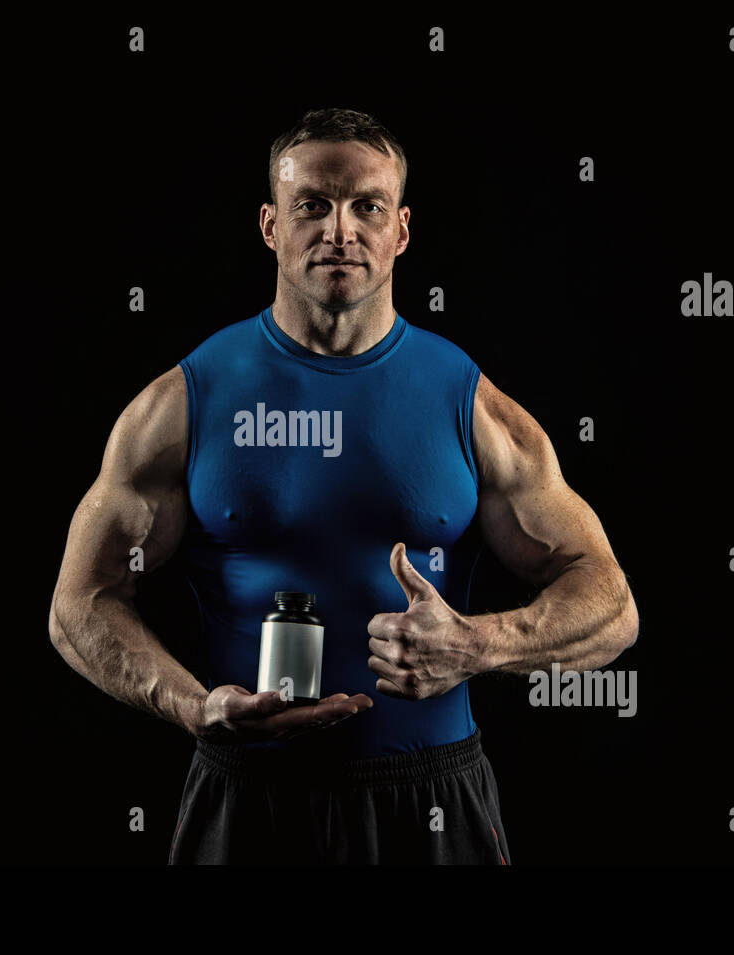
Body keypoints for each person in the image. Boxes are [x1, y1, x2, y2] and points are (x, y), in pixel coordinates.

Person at [47, 107, 639, 864]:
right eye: (312, 205)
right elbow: (79, 603)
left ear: (401, 230)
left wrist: (478, 643)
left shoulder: (468, 402)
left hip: (431, 800)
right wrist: (194, 705)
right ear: (269, 226)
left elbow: (612, 604)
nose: (339, 230)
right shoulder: (185, 402)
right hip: (246, 796)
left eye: (367, 206)